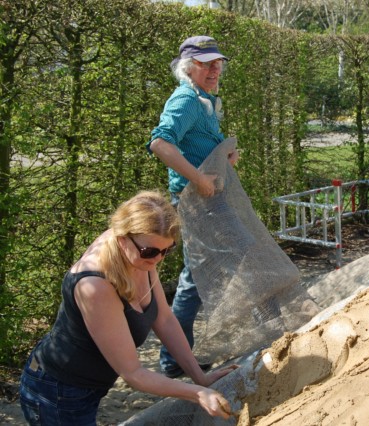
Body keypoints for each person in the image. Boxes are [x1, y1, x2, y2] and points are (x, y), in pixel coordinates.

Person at [19, 191, 237, 425]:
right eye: (150, 252)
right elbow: (133, 373)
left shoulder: (142, 251)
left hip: (90, 386)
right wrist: (197, 393)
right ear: (122, 238)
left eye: (167, 250)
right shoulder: (95, 284)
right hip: (58, 391)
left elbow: (164, 319)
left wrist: (200, 378)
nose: (157, 260)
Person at [147, 36, 239, 378]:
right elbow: (160, 142)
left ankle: (174, 359)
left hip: (208, 200)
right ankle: (173, 360)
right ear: (189, 68)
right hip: (196, 202)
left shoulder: (204, 99)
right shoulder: (185, 98)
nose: (215, 69)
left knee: (195, 279)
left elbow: (193, 145)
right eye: (206, 63)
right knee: (220, 267)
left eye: (218, 63)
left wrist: (223, 157)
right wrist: (199, 180)